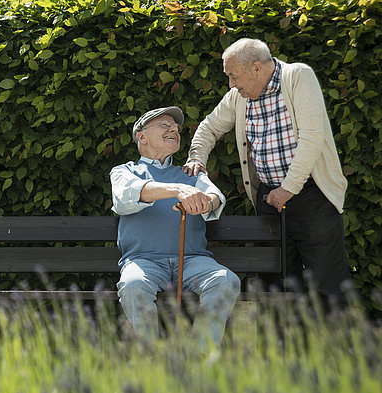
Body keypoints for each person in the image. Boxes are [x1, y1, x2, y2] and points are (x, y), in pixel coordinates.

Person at [183, 38, 350, 308]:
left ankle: (330, 349)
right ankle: (282, 348)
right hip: (270, 200)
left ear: (257, 68)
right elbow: (209, 127)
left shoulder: (298, 76)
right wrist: (196, 158)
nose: (231, 84)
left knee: (327, 284)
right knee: (275, 285)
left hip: (312, 196)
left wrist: (288, 189)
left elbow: (311, 138)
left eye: (233, 76)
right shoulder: (238, 97)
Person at [110, 106, 240, 350]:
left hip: (192, 260)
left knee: (226, 281)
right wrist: (177, 190)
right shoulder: (125, 171)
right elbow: (126, 196)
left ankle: (198, 358)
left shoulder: (190, 173)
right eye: (165, 125)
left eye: (176, 127)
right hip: (144, 261)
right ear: (142, 136)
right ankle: (152, 359)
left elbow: (215, 197)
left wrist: (204, 201)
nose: (174, 130)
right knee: (132, 285)